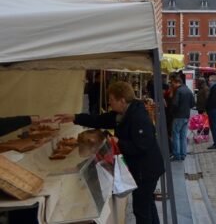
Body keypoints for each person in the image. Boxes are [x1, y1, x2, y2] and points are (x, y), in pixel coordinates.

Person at [55, 81, 164, 224]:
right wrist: (75, 117)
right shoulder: (122, 114)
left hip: (146, 170)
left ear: (122, 100)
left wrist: (119, 142)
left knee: (141, 209)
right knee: (147, 203)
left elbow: (142, 146)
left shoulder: (138, 116)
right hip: (143, 169)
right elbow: (100, 120)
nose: (109, 102)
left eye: (112, 99)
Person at [170, 73, 195, 161]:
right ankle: (183, 154)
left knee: (176, 135)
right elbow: (193, 104)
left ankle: (177, 155)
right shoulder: (188, 90)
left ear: (177, 83)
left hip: (178, 116)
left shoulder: (178, 91)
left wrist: (171, 112)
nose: (172, 85)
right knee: (183, 135)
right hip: (186, 116)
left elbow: (174, 104)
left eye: (173, 83)